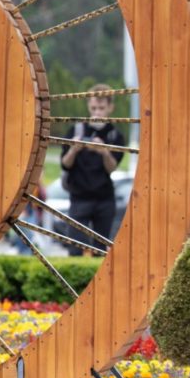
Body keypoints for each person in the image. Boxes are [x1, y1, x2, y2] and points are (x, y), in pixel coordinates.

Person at [60, 84, 125, 255]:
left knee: (100, 251)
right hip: (79, 197)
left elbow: (112, 168)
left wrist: (104, 152)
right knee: (74, 248)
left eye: (101, 108)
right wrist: (74, 148)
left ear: (110, 108)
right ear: (88, 105)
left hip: (104, 199)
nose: (97, 112)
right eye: (94, 107)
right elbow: (65, 164)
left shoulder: (115, 136)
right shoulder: (75, 130)